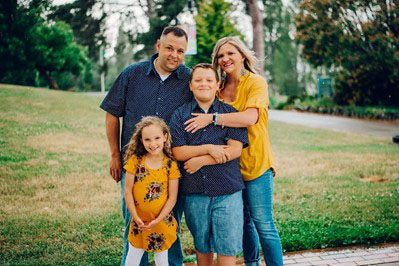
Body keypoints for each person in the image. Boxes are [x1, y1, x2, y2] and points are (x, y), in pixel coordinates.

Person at [184, 37, 284, 266]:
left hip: (256, 165)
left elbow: (251, 117)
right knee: (244, 224)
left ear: (242, 55)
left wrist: (213, 118)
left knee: (263, 223)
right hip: (229, 168)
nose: (225, 59)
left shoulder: (255, 83)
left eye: (230, 53)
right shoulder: (218, 88)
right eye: (220, 55)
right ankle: (251, 263)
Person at [100, 26, 192, 266]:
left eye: (180, 51)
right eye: (170, 48)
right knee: (135, 227)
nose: (174, 54)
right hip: (135, 168)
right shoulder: (133, 74)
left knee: (170, 226)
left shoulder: (189, 80)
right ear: (158, 46)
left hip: (170, 171)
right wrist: (114, 156)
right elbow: (112, 114)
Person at [169, 63, 249, 266]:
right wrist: (210, 148)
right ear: (190, 85)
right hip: (195, 192)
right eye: (198, 80)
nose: (203, 84)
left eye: (208, 80)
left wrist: (201, 160)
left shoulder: (228, 113)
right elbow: (178, 151)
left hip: (228, 192)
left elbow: (234, 150)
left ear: (217, 85)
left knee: (227, 246)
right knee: (202, 245)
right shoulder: (180, 115)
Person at [124, 116, 180, 266]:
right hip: (139, 222)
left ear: (165, 137)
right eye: (147, 139)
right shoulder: (135, 161)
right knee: (132, 260)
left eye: (157, 138)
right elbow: (128, 192)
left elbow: (172, 198)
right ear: (141, 140)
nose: (153, 144)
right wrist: (135, 217)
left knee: (161, 261)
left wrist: (158, 219)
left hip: (161, 222)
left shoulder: (171, 165)